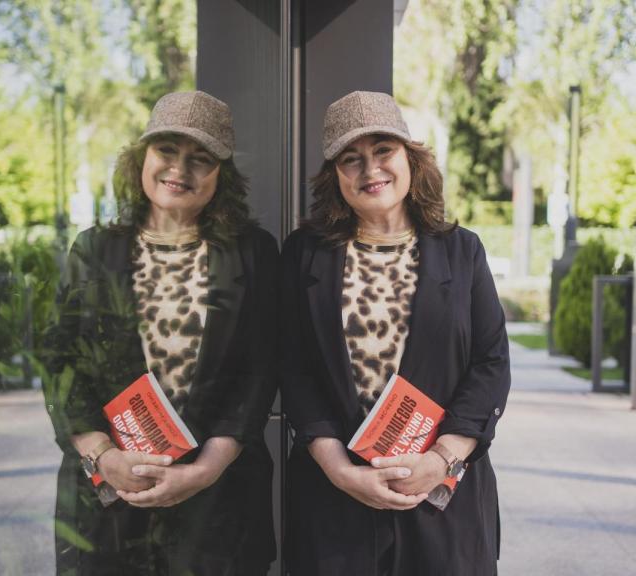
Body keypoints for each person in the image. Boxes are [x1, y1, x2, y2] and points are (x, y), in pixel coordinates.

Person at [43, 91, 278, 576]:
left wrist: (206, 469)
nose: (180, 169)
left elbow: (261, 370)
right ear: (141, 158)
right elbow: (60, 364)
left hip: (220, 502)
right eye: (166, 151)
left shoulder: (253, 252)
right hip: (108, 501)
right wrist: (103, 457)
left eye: (201, 158)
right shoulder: (93, 250)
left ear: (222, 175)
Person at [281, 91, 511, 576]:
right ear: (334, 175)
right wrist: (339, 470)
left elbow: (490, 365)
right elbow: (293, 367)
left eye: (383, 150)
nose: (370, 170)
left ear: (410, 158)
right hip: (333, 503)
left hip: (441, 502)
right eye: (351, 158)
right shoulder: (305, 254)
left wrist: (443, 460)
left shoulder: (462, 251)